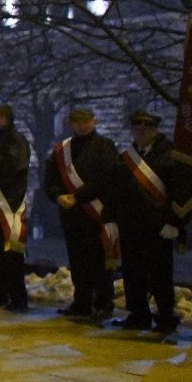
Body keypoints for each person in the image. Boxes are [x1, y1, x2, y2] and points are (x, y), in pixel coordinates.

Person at [111, 110, 181, 335]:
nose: (141, 132)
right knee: (133, 272)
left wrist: (175, 222)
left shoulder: (170, 155)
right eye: (137, 128)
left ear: (155, 129)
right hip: (131, 225)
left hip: (158, 225)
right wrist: (112, 219)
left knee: (160, 274)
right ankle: (138, 314)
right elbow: (118, 190)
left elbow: (179, 192)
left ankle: (166, 316)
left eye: (147, 128)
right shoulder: (128, 156)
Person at [44, 108, 116, 319]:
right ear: (71, 124)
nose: (82, 125)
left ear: (94, 121)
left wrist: (79, 196)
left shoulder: (105, 146)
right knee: (78, 261)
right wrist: (57, 196)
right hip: (72, 216)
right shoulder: (62, 150)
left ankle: (104, 303)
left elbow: (107, 178)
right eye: (77, 122)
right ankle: (82, 301)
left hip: (97, 214)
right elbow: (50, 179)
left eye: (86, 121)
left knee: (100, 262)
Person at [0, 103, 34, 310]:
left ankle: (17, 296)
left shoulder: (16, 140)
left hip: (8, 203)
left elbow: (15, 166)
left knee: (12, 254)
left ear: (4, 118)